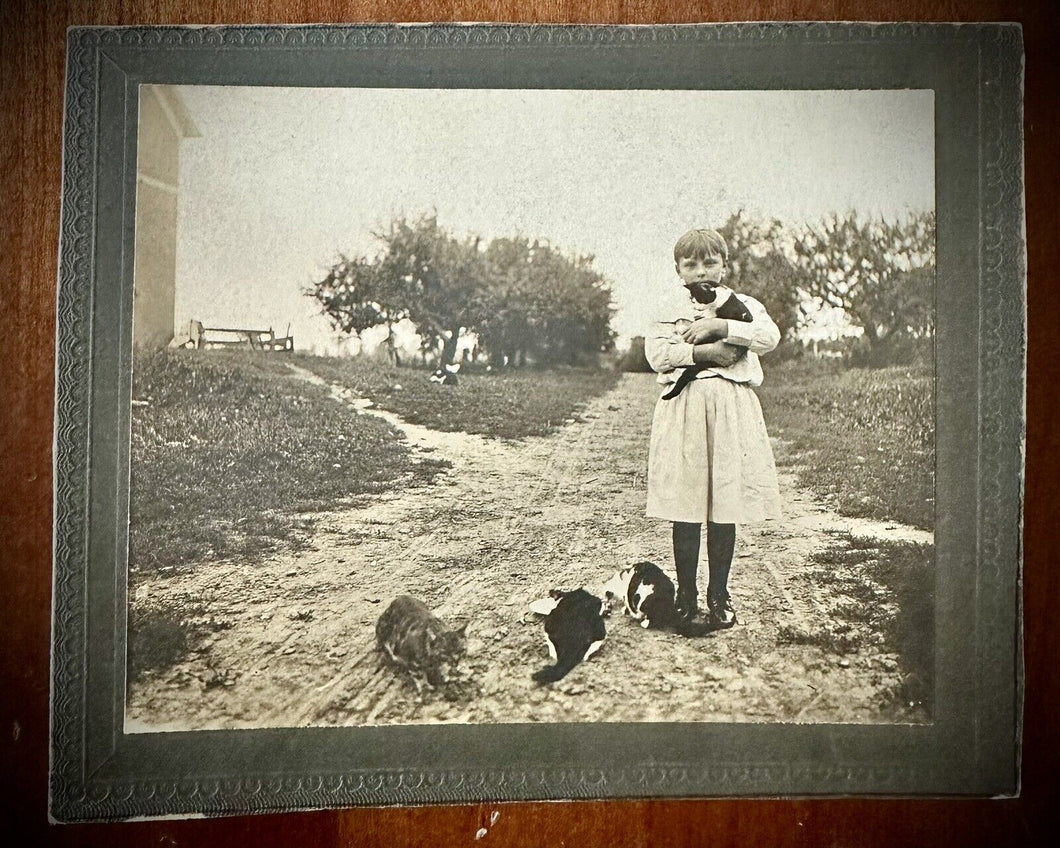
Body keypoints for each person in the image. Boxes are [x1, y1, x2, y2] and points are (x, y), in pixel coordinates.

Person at [643, 227, 783, 628]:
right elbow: (657, 354)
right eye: (691, 264)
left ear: (724, 264)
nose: (701, 270)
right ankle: (686, 595)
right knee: (685, 505)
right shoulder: (667, 306)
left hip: (731, 406)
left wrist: (721, 327)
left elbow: (769, 338)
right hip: (684, 406)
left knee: (725, 503)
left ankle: (718, 594)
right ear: (678, 269)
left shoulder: (744, 304)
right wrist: (707, 350)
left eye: (710, 262)